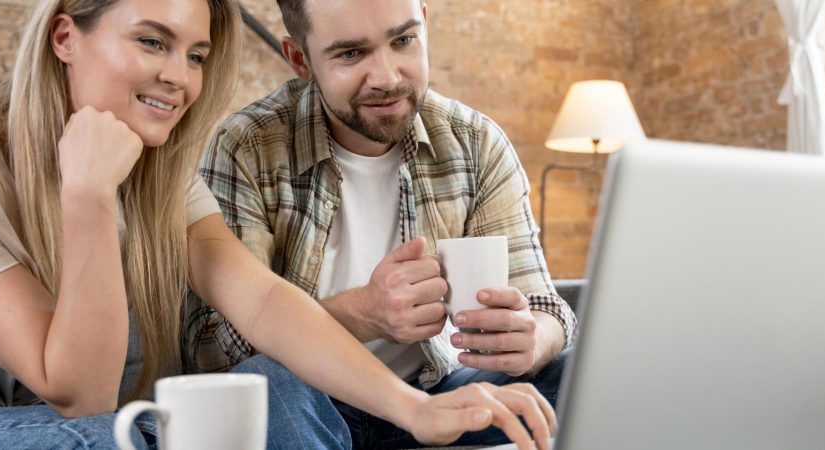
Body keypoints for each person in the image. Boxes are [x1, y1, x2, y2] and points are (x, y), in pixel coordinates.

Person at [0, 0, 555, 448]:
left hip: (54, 428)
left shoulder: (162, 169)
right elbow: (83, 397)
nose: (179, 77)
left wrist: (418, 409)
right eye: (151, 41)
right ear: (67, 39)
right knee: (145, 435)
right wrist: (88, 197)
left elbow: (258, 299)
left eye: (194, 54)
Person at [186, 0, 577, 448]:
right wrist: (365, 314)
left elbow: (546, 306)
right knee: (268, 384)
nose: (388, 77)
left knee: (585, 372)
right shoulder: (247, 145)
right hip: (312, 406)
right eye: (351, 54)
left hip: (436, 392)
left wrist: (533, 337)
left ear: (424, 26)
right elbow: (212, 353)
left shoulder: (475, 143)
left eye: (403, 40)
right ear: (300, 59)